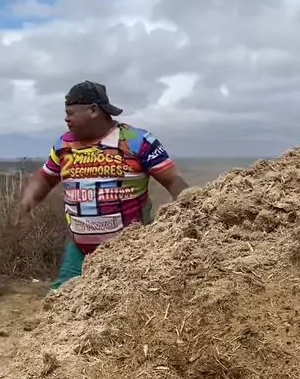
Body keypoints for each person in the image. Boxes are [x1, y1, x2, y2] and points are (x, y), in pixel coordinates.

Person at [20, 81, 189, 289]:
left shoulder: (136, 140)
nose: (66, 119)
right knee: (60, 301)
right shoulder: (64, 144)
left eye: (71, 113)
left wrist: (191, 204)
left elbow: (173, 180)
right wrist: (29, 200)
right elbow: (46, 177)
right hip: (80, 251)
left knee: (128, 300)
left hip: (131, 251)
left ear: (93, 110)